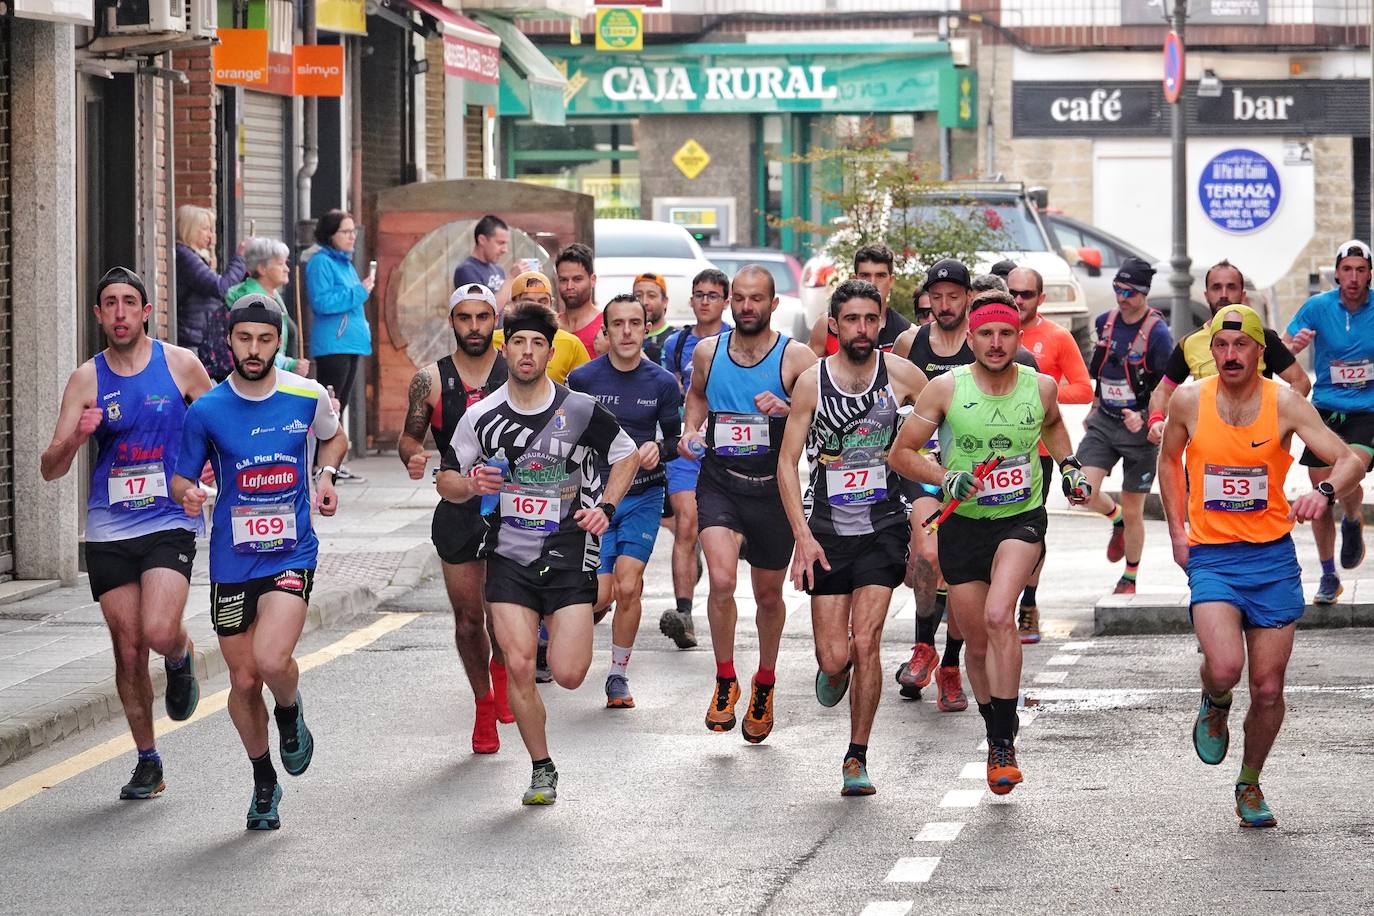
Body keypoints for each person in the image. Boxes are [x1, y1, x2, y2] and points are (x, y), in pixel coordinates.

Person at [1158, 304, 1364, 828]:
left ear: (1259, 352)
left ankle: (1249, 783)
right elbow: (1169, 461)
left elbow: (1348, 459)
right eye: (1221, 347)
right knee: (1226, 666)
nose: (1229, 356)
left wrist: (1323, 491)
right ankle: (1215, 696)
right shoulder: (1189, 399)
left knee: (1269, 688)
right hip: (1212, 556)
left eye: (1241, 346)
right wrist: (1178, 532)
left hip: (1271, 557)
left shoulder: (1287, 403)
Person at [891, 290, 1092, 795]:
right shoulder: (944, 389)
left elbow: (1052, 426)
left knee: (1001, 615)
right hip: (964, 524)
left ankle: (1002, 743)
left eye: (1006, 333)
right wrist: (945, 477)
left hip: (1021, 519)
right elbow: (901, 453)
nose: (996, 343)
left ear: (1019, 337)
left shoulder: (1040, 386)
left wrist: (1067, 467)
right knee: (977, 643)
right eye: (986, 333)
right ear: (972, 337)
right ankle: (995, 724)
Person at [438, 300, 638, 805]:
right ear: (506, 349)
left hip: (571, 554)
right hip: (507, 555)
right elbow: (446, 481)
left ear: (551, 352)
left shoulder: (580, 410)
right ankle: (541, 767)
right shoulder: (481, 415)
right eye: (519, 343)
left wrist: (607, 509)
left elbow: (627, 454)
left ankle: (562, 626)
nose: (527, 352)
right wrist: (469, 482)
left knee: (569, 675)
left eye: (537, 344)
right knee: (521, 665)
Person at [172, 293, 348, 831]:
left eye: (265, 339)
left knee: (273, 661)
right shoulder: (206, 411)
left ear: (279, 342)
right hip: (231, 560)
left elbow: (333, 438)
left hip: (291, 551)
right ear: (229, 340)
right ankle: (263, 780)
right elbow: (181, 476)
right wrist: (188, 494)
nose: (254, 349)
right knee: (244, 681)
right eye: (244, 338)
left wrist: (325, 476)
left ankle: (290, 713)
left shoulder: (305, 395)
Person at [40, 267, 212, 800]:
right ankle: (147, 760)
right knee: (128, 650)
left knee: (159, 632)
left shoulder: (180, 365)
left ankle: (180, 655)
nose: (119, 312)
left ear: (145, 312)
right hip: (109, 527)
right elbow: (50, 467)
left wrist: (208, 470)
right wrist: (75, 438)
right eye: (109, 303)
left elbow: (220, 423)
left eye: (128, 302)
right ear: (98, 315)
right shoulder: (85, 380)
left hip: (168, 518)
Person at [778, 280, 927, 796]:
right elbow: (786, 462)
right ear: (834, 326)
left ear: (881, 322)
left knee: (867, 643)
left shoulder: (906, 378)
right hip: (827, 530)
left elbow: (929, 445)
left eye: (870, 319)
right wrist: (802, 535)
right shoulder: (812, 384)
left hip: (883, 526)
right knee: (834, 657)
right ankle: (834, 672)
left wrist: (924, 513)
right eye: (851, 320)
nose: (861, 329)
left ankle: (856, 756)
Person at [679, 265, 817, 743]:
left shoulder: (796, 358)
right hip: (720, 483)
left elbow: (823, 418)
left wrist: (788, 408)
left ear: (774, 304)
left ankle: (764, 681)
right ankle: (724, 678)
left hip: (772, 491)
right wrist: (690, 432)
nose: (746, 307)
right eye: (738, 298)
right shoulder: (707, 351)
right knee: (719, 579)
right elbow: (695, 398)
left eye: (756, 299)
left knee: (767, 597)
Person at [891, 259, 1038, 709]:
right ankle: (923, 645)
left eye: (953, 296)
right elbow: (895, 406)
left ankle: (952, 661)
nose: (943, 305)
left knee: (964, 584)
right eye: (936, 297)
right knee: (929, 553)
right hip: (932, 470)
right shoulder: (910, 341)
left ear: (969, 300)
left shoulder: (996, 349)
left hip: (984, 479)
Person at [397, 282, 514, 753]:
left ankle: (504, 681)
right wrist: (415, 455)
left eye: (481, 317)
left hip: (513, 509)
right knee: (468, 619)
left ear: (494, 321)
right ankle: (483, 705)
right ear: (452, 322)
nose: (473, 327)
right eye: (464, 318)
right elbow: (409, 437)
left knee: (502, 615)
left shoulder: (517, 372)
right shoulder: (429, 380)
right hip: (459, 506)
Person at [568, 294, 682, 708]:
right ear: (606, 330)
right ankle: (566, 625)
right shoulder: (583, 380)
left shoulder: (663, 383)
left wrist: (658, 447)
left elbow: (673, 438)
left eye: (636, 323)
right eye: (618, 324)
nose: (628, 331)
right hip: (595, 498)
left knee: (629, 585)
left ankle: (618, 675)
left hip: (645, 495)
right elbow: (567, 436)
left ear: (647, 327)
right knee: (599, 596)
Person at [1283, 240, 1374, 603]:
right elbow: (1283, 345)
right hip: (1325, 409)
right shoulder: (1319, 306)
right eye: (1347, 270)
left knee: (1350, 468)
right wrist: (1295, 346)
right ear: (1336, 273)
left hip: (1368, 409)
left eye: (1361, 270)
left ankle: (1351, 517)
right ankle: (1328, 575)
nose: (1353, 278)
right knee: (1322, 490)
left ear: (1369, 274)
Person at [1076, 256, 1173, 594]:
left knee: (1136, 509)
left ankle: (1129, 577)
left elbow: (1169, 387)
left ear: (1144, 292)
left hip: (1140, 432)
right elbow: (1101, 374)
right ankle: (1112, 516)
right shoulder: (1105, 323)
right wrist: (1094, 407)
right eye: (1117, 288)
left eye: (1129, 291)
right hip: (1105, 421)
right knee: (1080, 490)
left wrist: (1146, 417)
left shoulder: (1158, 333)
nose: (1122, 296)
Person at [1009, 266, 1094, 643]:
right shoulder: (986, 336)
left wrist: (1039, 394)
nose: (1018, 300)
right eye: (1012, 292)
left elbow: (1083, 389)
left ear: (1041, 299)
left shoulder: (1057, 338)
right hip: (989, 448)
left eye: (1026, 294)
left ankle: (1029, 604)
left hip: (1039, 452)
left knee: (1029, 533)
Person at [1148, 260, 1309, 446]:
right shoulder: (1189, 343)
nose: (1224, 294)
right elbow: (1164, 390)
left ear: (1243, 294)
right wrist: (1156, 420)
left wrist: (1279, 420)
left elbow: (1301, 381)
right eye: (1216, 287)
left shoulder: (1261, 337)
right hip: (1206, 448)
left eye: (1231, 287)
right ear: (1206, 295)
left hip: (1255, 444)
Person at [657, 268, 731, 649]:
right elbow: (671, 391)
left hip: (728, 447)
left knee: (722, 532)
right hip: (687, 446)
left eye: (713, 295)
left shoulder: (737, 341)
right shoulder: (676, 342)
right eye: (699, 294)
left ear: (726, 301)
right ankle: (684, 615)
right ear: (691, 300)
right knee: (686, 524)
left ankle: (718, 596)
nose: (705, 301)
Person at [305, 209, 373, 480]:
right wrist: (360, 291)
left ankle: (330, 462)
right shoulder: (320, 262)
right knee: (329, 406)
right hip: (334, 343)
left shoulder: (345, 262)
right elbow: (322, 302)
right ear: (330, 235)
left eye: (352, 231)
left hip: (351, 342)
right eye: (345, 232)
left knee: (339, 405)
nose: (351, 236)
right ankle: (319, 464)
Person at [174, 204, 246, 381]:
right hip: (192, 340)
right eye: (205, 229)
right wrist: (240, 258)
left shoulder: (192, 256)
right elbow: (221, 287)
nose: (211, 236)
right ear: (190, 229)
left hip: (200, 338)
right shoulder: (185, 256)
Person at [805, 244, 912, 358]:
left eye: (880, 276)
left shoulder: (906, 332)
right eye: (865, 275)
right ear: (854, 279)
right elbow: (804, 369)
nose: (872, 283)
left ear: (891, 281)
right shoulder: (827, 325)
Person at [226, 237, 309, 375]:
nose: (287, 269)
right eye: (280, 264)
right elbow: (259, 344)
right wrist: (289, 365)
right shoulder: (254, 302)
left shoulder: (273, 296)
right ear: (262, 268)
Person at [493, 271, 591, 385]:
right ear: (513, 304)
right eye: (528, 303)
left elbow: (587, 388)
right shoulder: (491, 342)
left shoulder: (571, 344)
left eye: (542, 302)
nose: (537, 309)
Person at [453, 214, 519, 308]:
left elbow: (507, 300)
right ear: (482, 240)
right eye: (500, 243)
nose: (505, 250)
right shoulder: (466, 270)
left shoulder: (498, 269)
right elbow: (485, 310)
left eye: (506, 244)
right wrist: (511, 278)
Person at [556, 243, 604, 356]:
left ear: (592, 280)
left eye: (577, 279)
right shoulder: (550, 325)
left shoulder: (606, 326)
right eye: (563, 280)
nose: (569, 286)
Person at [635, 272, 677, 366]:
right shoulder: (625, 337)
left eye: (651, 296)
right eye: (638, 296)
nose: (644, 302)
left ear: (665, 301)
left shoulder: (677, 339)